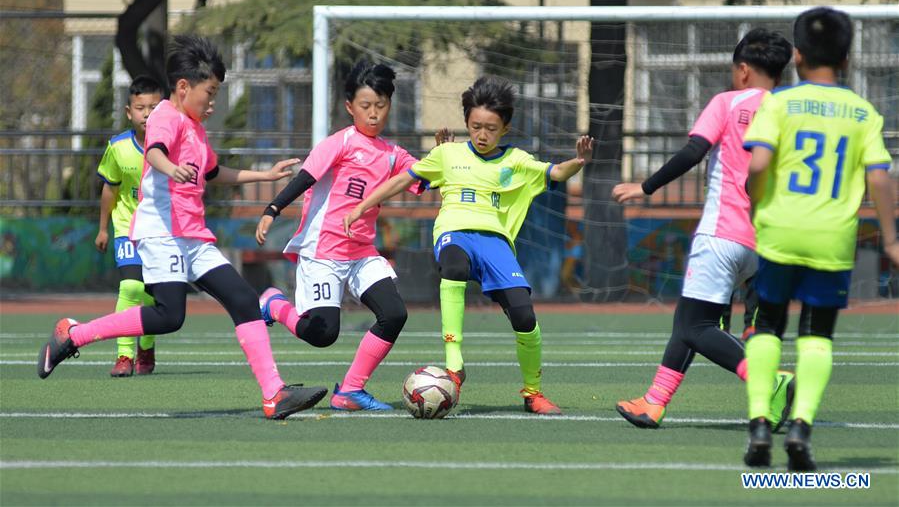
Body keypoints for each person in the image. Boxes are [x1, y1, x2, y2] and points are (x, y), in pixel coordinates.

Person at [38, 35, 327, 420]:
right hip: (160, 233)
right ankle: (73, 335)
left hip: (193, 237)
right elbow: (155, 150)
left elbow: (213, 171)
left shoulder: (196, 129)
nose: (213, 102)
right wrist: (171, 167)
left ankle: (274, 394)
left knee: (244, 300)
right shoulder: (165, 115)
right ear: (183, 87)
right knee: (169, 316)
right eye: (209, 93)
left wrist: (264, 174)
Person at [345, 75, 593, 415]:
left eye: (491, 128)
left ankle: (533, 393)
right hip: (454, 231)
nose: (482, 134)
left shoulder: (516, 160)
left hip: (494, 241)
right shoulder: (447, 154)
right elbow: (404, 179)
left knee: (524, 314)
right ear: (467, 123)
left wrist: (577, 162)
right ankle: (453, 362)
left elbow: (556, 173)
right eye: (475, 126)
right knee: (454, 267)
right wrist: (362, 206)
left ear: (505, 128)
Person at [612, 29, 796, 430]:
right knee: (688, 322)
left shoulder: (728, 103)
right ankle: (654, 402)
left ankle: (767, 379)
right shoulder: (789, 111)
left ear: (743, 70)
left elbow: (694, 151)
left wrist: (645, 187)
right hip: (765, 242)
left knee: (695, 326)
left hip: (722, 234)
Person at [742, 7, 898, 471]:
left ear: (796, 54)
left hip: (780, 231)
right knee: (817, 334)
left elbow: (757, 165)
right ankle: (802, 428)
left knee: (767, 323)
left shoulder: (778, 103)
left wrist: (756, 209)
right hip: (832, 238)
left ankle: (757, 424)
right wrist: (891, 238)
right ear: (846, 58)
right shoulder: (863, 112)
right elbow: (880, 177)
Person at [255, 61, 425, 411]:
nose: (374, 114)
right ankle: (274, 304)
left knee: (394, 314)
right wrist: (272, 209)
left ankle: (349, 391)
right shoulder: (340, 143)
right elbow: (305, 177)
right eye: (366, 106)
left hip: (362, 253)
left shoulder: (393, 154)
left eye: (381, 106)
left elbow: (422, 178)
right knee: (323, 334)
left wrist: (445, 159)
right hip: (324, 252)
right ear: (350, 107)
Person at [95, 76, 163, 377]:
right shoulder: (118, 147)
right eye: (140, 108)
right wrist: (103, 229)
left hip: (160, 230)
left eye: (154, 107)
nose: (147, 114)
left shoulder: (172, 145)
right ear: (128, 112)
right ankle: (124, 354)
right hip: (127, 227)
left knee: (155, 296)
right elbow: (110, 189)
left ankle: (146, 343)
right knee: (131, 285)